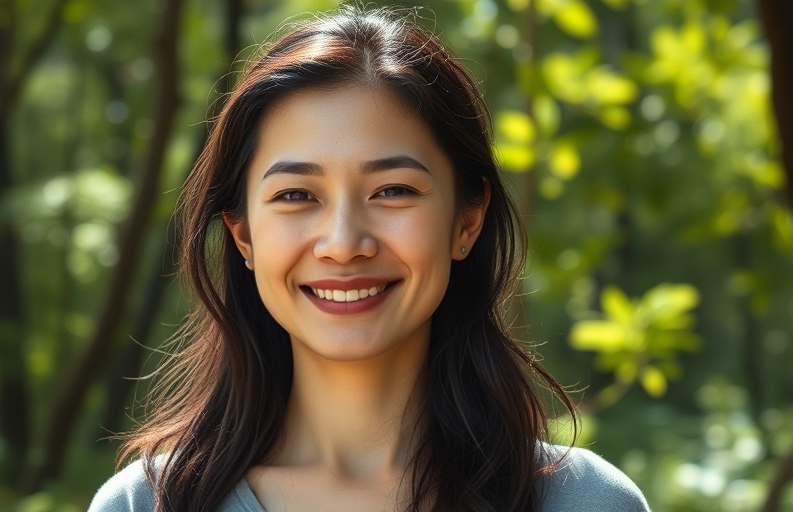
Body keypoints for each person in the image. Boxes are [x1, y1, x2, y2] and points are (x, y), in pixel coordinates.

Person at [89, 5, 650, 511]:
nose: (343, 242)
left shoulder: (585, 501)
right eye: (295, 196)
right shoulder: (147, 503)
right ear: (242, 237)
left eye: (393, 191)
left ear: (467, 220)